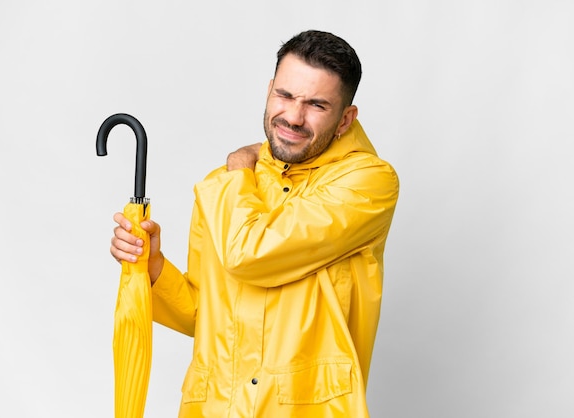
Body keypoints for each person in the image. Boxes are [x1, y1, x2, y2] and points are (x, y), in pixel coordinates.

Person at [110, 29, 399, 417]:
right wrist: (154, 266)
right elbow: (204, 316)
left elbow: (250, 255)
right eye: (285, 95)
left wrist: (236, 172)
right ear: (269, 90)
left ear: (346, 119)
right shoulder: (229, 185)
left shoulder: (367, 183)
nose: (293, 117)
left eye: (316, 104)